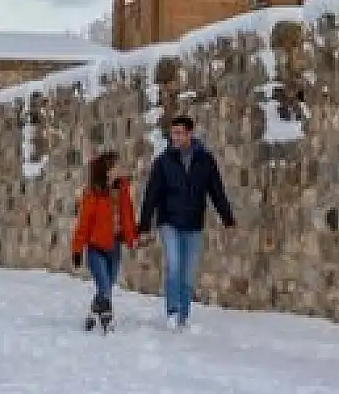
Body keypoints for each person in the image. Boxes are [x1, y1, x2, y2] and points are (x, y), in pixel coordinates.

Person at [137, 115, 235, 331]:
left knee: (188, 271)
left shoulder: (205, 161)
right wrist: (143, 227)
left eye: (180, 133)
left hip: (193, 223)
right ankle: (172, 311)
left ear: (190, 134)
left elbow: (216, 191)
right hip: (169, 221)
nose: (175, 137)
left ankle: (184, 314)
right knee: (173, 265)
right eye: (173, 133)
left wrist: (227, 219)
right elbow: (151, 194)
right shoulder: (163, 162)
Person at [69, 150, 139, 333]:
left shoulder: (123, 189)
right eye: (117, 166)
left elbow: (128, 217)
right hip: (95, 248)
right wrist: (77, 250)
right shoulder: (93, 194)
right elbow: (83, 223)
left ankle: (93, 312)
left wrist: (132, 239)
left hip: (114, 246)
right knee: (105, 285)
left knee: (108, 284)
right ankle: (107, 315)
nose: (121, 169)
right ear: (108, 170)